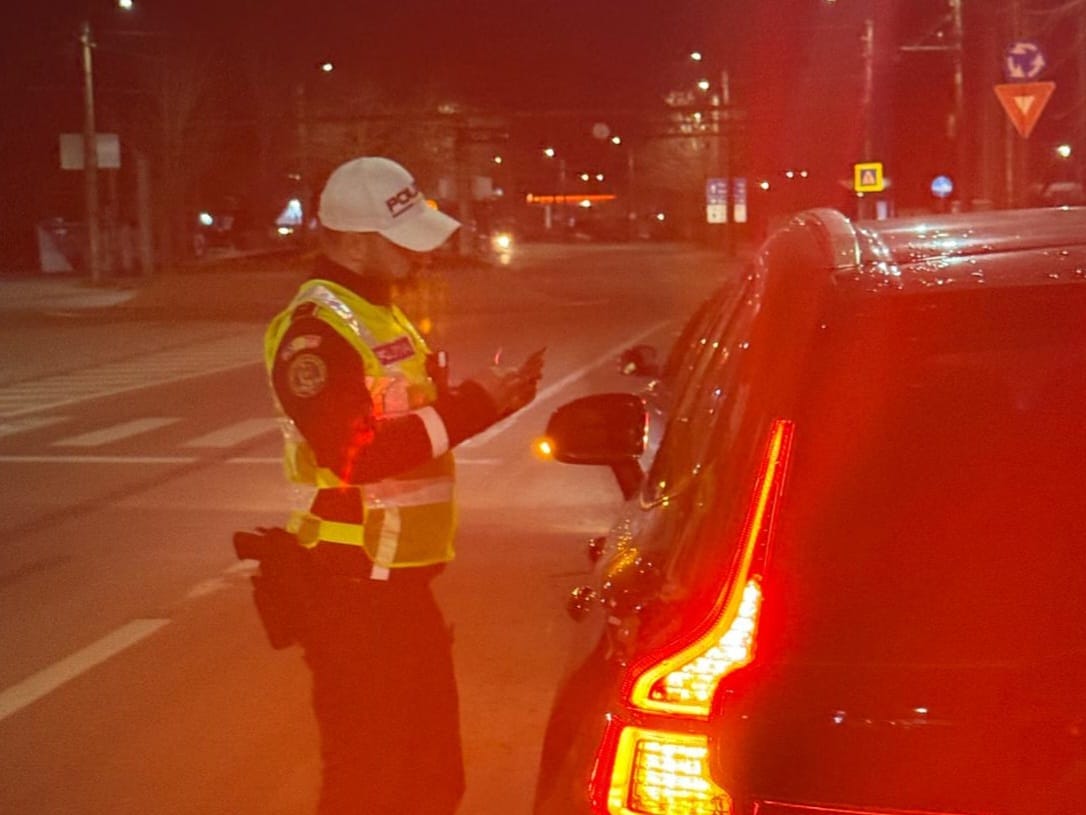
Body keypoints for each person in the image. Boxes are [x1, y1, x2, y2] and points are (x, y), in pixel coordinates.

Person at [257, 155, 544, 814]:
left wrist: (489, 402)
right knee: (370, 788)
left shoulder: (380, 313)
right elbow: (353, 455)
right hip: (352, 593)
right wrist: (470, 405)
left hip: (399, 591)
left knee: (432, 782)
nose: (421, 255)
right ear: (356, 243)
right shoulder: (316, 332)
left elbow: (417, 429)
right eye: (403, 240)